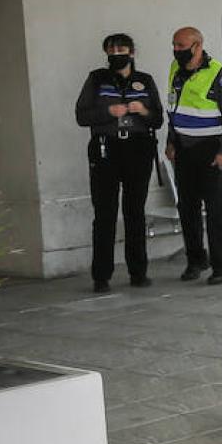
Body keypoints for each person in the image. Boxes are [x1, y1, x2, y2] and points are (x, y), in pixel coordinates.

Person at [74, 32, 162, 292]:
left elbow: (157, 119)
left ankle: (138, 272)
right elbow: (81, 115)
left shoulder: (144, 81)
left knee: (135, 212)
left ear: (132, 52)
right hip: (105, 149)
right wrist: (107, 112)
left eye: (121, 50)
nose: (116, 54)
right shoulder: (97, 78)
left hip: (138, 148)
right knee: (104, 213)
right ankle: (101, 276)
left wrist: (142, 111)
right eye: (111, 51)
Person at [165, 27, 222, 285]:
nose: (177, 50)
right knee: (187, 209)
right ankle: (196, 260)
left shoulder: (218, 74)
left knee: (216, 211)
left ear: (197, 46)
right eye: (174, 45)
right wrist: (171, 140)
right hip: (184, 150)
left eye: (182, 46)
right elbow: (172, 108)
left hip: (211, 151)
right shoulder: (175, 71)